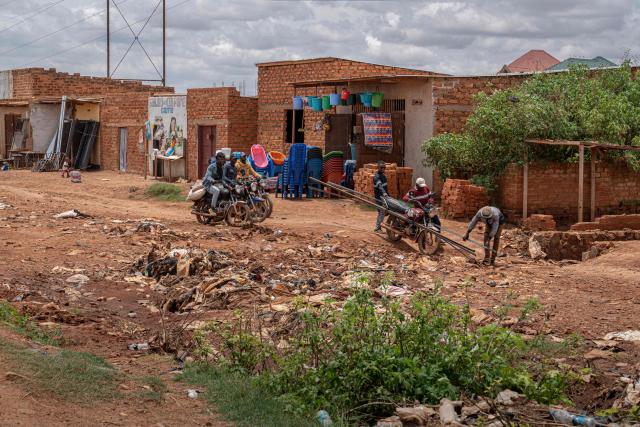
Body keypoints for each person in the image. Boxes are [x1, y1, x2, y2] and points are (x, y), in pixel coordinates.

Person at [373, 161, 388, 232]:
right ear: (378, 168)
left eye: (384, 167)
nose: (383, 169)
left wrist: (388, 196)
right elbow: (380, 186)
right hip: (379, 197)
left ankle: (378, 226)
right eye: (381, 167)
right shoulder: (376, 177)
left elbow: (385, 187)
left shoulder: (383, 176)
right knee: (381, 212)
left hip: (384, 197)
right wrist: (384, 193)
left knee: (383, 212)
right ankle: (377, 228)